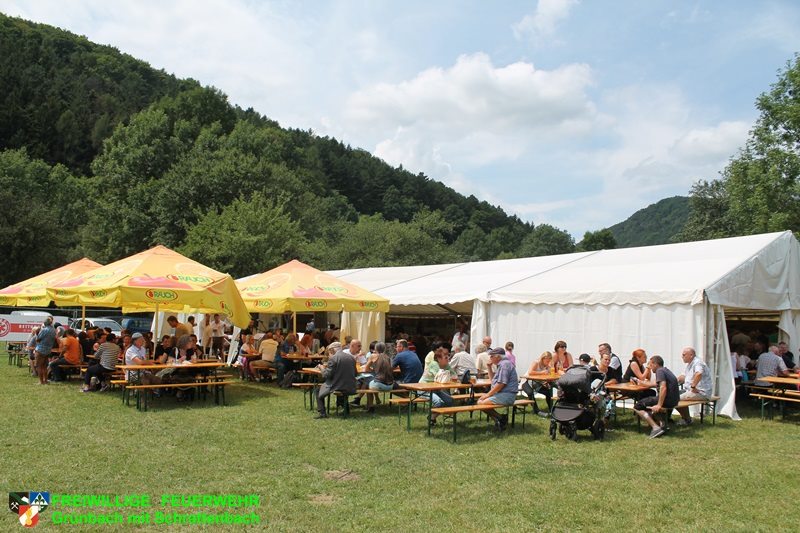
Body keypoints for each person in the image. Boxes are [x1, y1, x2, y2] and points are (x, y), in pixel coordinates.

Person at [634, 356, 680, 439]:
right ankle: (662, 424)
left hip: (667, 400)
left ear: (655, 364)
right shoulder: (665, 370)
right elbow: (655, 384)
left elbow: (663, 387)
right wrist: (640, 382)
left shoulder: (659, 371)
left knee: (637, 406)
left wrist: (659, 405)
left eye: (651, 365)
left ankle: (655, 427)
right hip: (674, 400)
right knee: (649, 401)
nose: (650, 367)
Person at [478, 348, 519, 431]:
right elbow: (493, 381)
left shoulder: (504, 365)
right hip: (505, 394)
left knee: (481, 403)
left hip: (507, 395)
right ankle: (500, 420)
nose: (490, 358)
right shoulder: (504, 364)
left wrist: (488, 394)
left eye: (491, 356)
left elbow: (501, 384)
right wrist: (489, 367)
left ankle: (500, 419)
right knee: (480, 402)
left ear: (498, 357)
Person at [315, 341, 357, 419]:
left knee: (318, 390)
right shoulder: (351, 358)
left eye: (330, 351)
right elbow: (355, 373)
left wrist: (322, 368)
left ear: (332, 350)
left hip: (338, 386)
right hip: (351, 386)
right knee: (341, 387)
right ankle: (346, 409)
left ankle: (322, 412)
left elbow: (326, 375)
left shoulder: (333, 358)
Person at [419, 347, 456, 427]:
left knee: (450, 401)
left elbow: (454, 375)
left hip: (436, 389)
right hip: (423, 389)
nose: (448, 359)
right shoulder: (434, 364)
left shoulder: (446, 365)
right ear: (439, 359)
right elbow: (439, 378)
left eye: (448, 357)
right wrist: (451, 377)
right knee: (439, 402)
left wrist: (453, 377)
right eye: (446, 357)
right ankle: (432, 419)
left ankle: (432, 417)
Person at [675, 347, 713, 425]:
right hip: (692, 391)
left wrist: (693, 386)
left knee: (674, 399)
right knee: (671, 395)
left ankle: (687, 420)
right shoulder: (690, 364)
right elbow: (683, 377)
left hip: (701, 393)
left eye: (684, 355)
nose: (682, 357)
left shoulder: (698, 363)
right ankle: (685, 419)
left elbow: (698, 373)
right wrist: (672, 381)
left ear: (691, 355)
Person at [362, 342, 394, 413]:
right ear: (384, 349)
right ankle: (376, 400)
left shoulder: (373, 356)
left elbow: (366, 369)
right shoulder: (387, 357)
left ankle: (370, 406)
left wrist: (372, 370)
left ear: (375, 348)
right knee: (372, 382)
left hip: (379, 385)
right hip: (390, 385)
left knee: (367, 383)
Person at [34, 317, 57, 385]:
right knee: (44, 366)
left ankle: (41, 381)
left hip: (40, 350)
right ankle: (45, 380)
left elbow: (38, 339)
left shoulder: (44, 330)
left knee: (39, 366)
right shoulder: (53, 330)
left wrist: (37, 334)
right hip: (48, 350)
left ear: (45, 323)